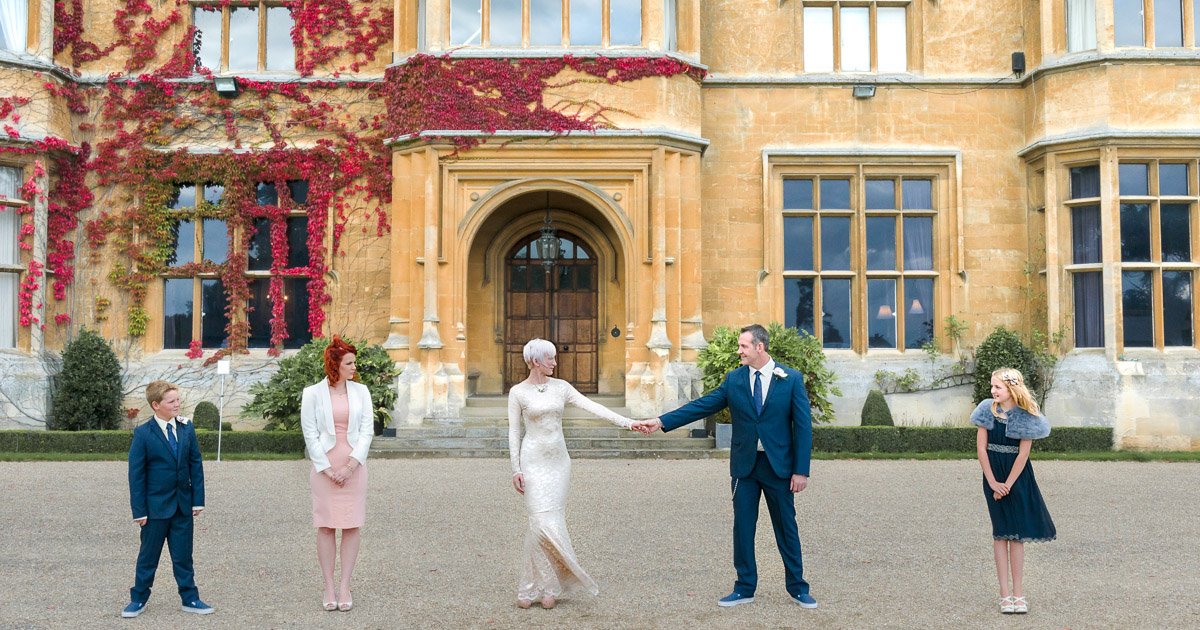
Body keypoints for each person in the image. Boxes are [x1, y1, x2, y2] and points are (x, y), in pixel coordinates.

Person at [636, 324, 817, 609]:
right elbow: (702, 405)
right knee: (743, 529)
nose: (739, 351)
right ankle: (744, 588)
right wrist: (660, 421)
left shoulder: (790, 379)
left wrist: (801, 470)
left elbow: (803, 427)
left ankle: (798, 588)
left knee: (787, 528)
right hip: (744, 468)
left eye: (743, 346)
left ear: (760, 347)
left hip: (779, 468)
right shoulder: (733, 380)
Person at [508, 338, 651, 609]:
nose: (555, 362)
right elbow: (514, 432)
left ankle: (548, 588)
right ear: (536, 361)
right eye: (550, 358)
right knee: (538, 523)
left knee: (553, 521)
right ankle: (530, 586)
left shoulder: (561, 387)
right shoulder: (518, 392)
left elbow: (594, 408)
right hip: (532, 461)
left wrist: (630, 423)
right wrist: (515, 468)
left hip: (558, 463)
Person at [122, 380, 213, 618]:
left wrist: (197, 500)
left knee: (184, 557)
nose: (177, 404)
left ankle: (190, 598)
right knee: (148, 557)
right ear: (155, 405)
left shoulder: (186, 428)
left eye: (178, 400)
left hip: (183, 506)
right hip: (154, 510)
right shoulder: (142, 434)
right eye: (171, 401)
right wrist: (139, 511)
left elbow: (196, 464)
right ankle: (138, 599)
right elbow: (136, 475)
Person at [971, 368, 1056, 615]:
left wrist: (1007, 484)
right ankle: (1004, 595)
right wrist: (993, 482)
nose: (992, 391)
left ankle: (1019, 595)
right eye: (991, 387)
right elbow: (981, 450)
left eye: (997, 387)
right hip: (992, 475)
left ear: (1011, 389)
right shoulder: (986, 410)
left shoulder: (1026, 415)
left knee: (1016, 535)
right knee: (1000, 534)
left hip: (1017, 478)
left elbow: (1024, 454)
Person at [300, 336, 375, 612]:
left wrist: (351, 466)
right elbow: (309, 433)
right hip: (324, 468)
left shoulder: (362, 392)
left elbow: (367, 431)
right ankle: (328, 586)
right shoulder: (312, 394)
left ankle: (345, 585)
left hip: (354, 467)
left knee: (352, 524)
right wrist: (328, 469)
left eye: (354, 362)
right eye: (350, 363)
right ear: (336, 365)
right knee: (326, 525)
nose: (355, 367)